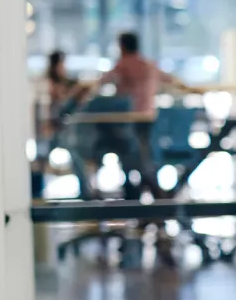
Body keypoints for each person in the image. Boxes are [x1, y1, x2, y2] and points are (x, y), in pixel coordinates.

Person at [74, 32, 205, 199]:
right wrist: (194, 90)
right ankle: (156, 198)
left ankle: (146, 197)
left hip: (127, 121)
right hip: (148, 119)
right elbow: (173, 81)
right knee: (145, 157)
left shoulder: (123, 66)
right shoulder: (149, 65)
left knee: (132, 157)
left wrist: (79, 95)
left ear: (122, 46)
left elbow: (100, 83)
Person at [32, 50, 84, 199]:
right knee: (41, 161)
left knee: (76, 158)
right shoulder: (46, 83)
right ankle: (36, 195)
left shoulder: (67, 83)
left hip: (62, 128)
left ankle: (86, 192)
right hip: (48, 128)